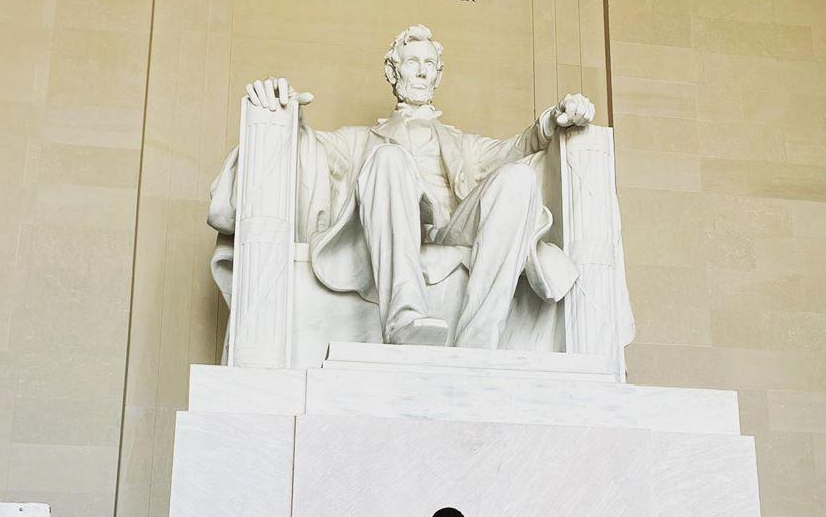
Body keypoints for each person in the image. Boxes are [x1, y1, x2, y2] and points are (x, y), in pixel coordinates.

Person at [206, 24, 634, 353]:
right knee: (390, 159)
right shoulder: (361, 140)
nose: (422, 70)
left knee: (519, 178)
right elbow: (309, 151)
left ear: (439, 75)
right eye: (412, 62)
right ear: (393, 71)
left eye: (429, 64)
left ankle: (478, 340)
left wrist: (552, 120)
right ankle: (404, 318)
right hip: (392, 228)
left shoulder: (461, 143)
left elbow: (516, 149)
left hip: (452, 229)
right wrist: (284, 113)